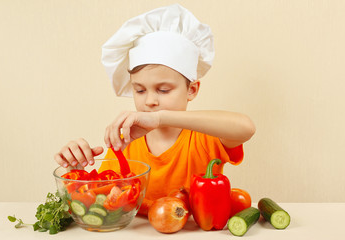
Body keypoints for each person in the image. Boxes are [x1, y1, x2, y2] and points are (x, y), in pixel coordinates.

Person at [54, 4, 255, 215]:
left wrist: (161, 119)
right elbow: (102, 199)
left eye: (164, 90)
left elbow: (246, 128)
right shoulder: (127, 143)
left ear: (192, 90)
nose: (150, 101)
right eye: (140, 90)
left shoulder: (203, 138)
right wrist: (75, 173)